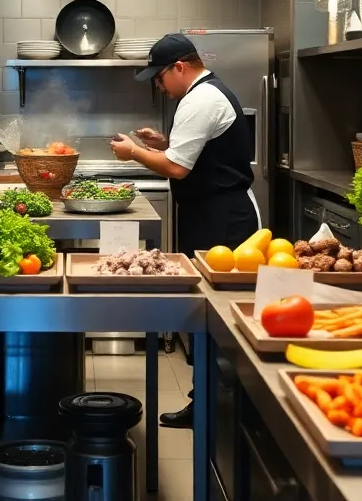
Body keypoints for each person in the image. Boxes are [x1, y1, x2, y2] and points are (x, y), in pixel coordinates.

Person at [110, 33, 260, 429]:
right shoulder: (204, 94)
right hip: (211, 211)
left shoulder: (200, 98)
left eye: (159, 78)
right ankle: (209, 403)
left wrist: (135, 153)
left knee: (220, 317)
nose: (159, 86)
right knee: (211, 314)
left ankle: (221, 408)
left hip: (224, 218)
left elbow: (177, 169)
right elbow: (194, 151)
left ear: (180, 67)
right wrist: (165, 143)